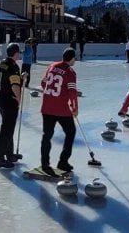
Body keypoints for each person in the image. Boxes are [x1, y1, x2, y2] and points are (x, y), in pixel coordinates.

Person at [40, 48, 78, 176]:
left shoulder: (51, 66)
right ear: (72, 59)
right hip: (61, 109)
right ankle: (63, 161)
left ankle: (45, 163)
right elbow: (72, 92)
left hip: (46, 107)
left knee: (47, 135)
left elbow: (43, 83)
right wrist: (74, 108)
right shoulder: (70, 72)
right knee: (71, 132)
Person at [0, 43, 22, 169]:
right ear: (15, 53)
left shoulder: (3, 63)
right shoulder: (13, 66)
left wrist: (21, 78)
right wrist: (18, 99)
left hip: (0, 99)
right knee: (6, 131)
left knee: (8, 129)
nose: (20, 55)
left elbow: (8, 79)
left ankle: (9, 155)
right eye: (19, 53)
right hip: (9, 102)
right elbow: (15, 85)